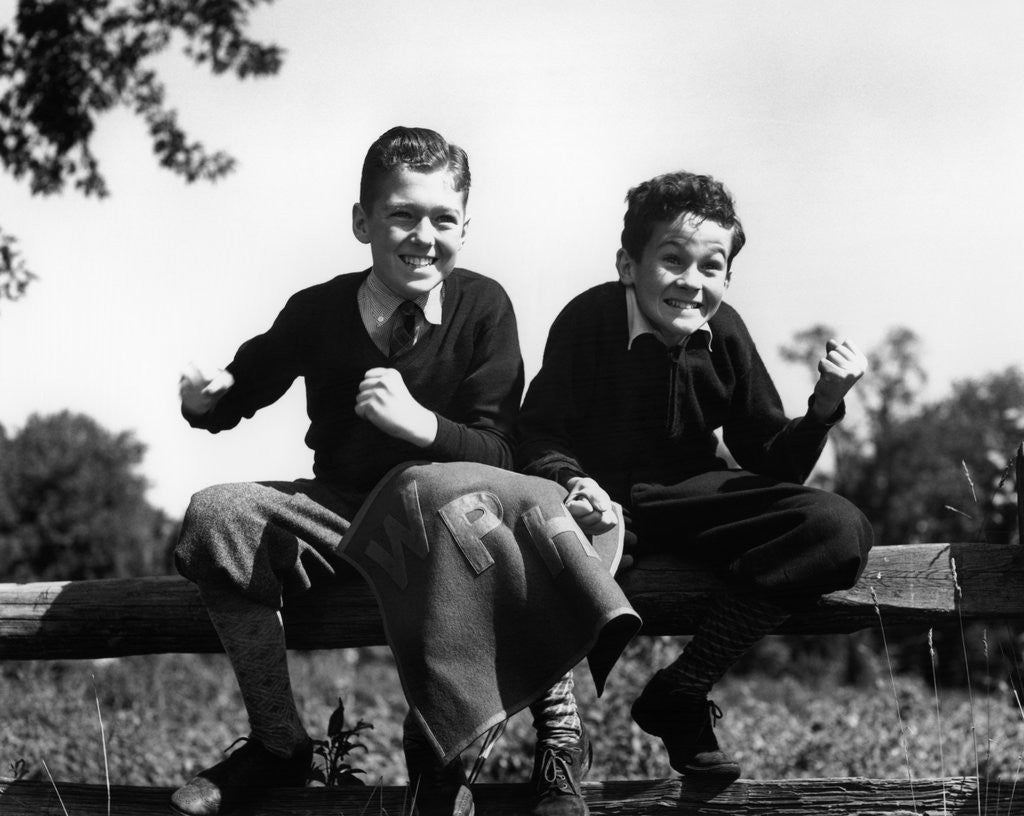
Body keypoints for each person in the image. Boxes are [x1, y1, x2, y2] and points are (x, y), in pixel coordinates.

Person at [170, 126, 587, 816]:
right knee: (217, 513)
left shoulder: (485, 307)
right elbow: (243, 386)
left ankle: (460, 748)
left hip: (452, 525)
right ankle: (277, 744)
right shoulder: (317, 311)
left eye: (443, 218)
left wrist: (421, 426)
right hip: (344, 511)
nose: (424, 235)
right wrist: (204, 400)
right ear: (363, 221)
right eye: (403, 214)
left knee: (517, 507)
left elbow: (501, 451)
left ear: (466, 227)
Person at [516, 170, 874, 781]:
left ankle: (681, 690)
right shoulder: (590, 320)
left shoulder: (726, 332)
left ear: (727, 276)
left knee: (839, 527)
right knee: (537, 561)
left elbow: (768, 458)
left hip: (691, 497)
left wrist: (822, 407)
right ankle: (558, 747)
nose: (691, 282)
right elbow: (538, 432)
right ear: (629, 265)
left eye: (711, 267)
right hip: (602, 503)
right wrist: (574, 482)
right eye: (673, 259)